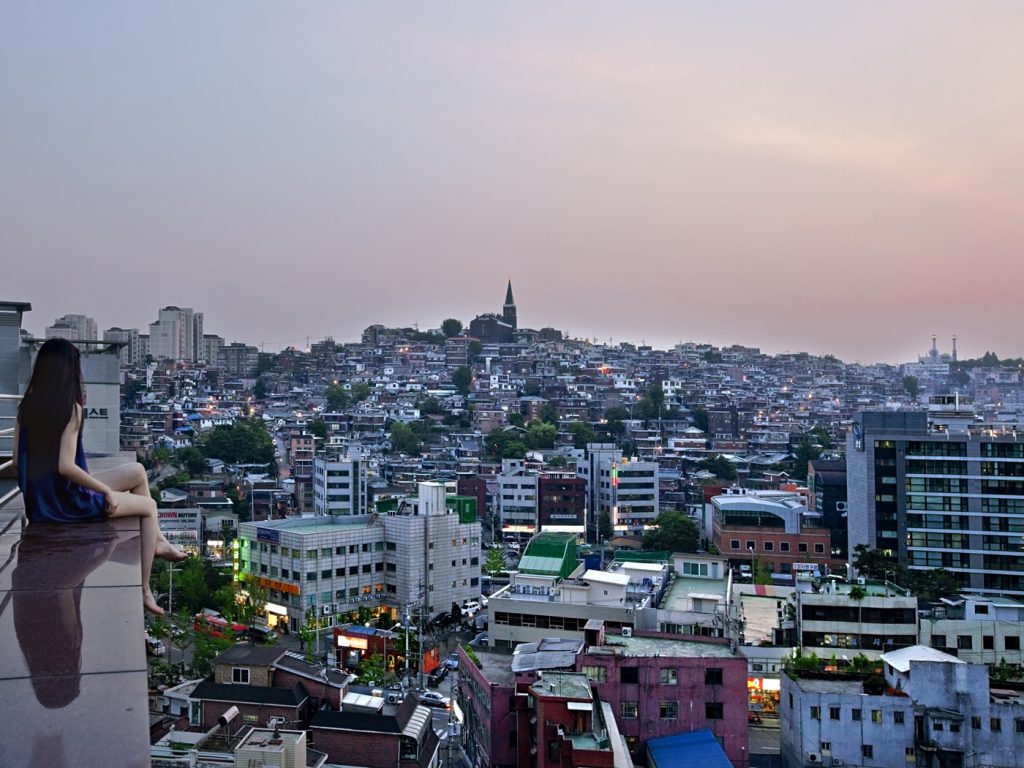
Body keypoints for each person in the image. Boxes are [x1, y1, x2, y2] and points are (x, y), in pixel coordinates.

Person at [13, 338, 186, 615]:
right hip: (67, 504)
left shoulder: (27, 407)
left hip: (44, 501)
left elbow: (16, 461)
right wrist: (104, 493)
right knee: (149, 507)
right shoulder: (71, 409)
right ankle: (144, 589)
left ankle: (158, 541)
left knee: (138, 471)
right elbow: (65, 466)